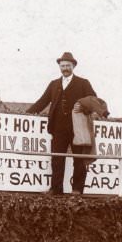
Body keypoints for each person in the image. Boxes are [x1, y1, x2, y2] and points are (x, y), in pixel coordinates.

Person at [27, 52, 97, 194]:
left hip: (78, 128)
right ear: (59, 66)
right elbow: (43, 101)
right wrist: (27, 113)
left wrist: (83, 106)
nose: (65, 68)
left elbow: (93, 100)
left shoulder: (83, 83)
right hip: (58, 128)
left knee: (79, 159)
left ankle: (77, 189)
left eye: (68, 65)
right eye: (62, 65)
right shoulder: (54, 84)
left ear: (73, 66)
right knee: (57, 158)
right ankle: (56, 189)